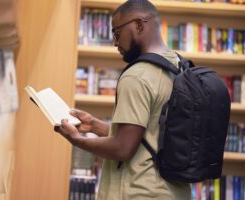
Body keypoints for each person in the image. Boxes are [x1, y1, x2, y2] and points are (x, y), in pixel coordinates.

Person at [55, 0, 191, 199]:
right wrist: (94, 125)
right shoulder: (178, 67)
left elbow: (123, 148)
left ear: (138, 25)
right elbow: (151, 133)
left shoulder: (137, 75)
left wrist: (77, 140)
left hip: (139, 192)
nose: (115, 42)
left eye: (117, 33)